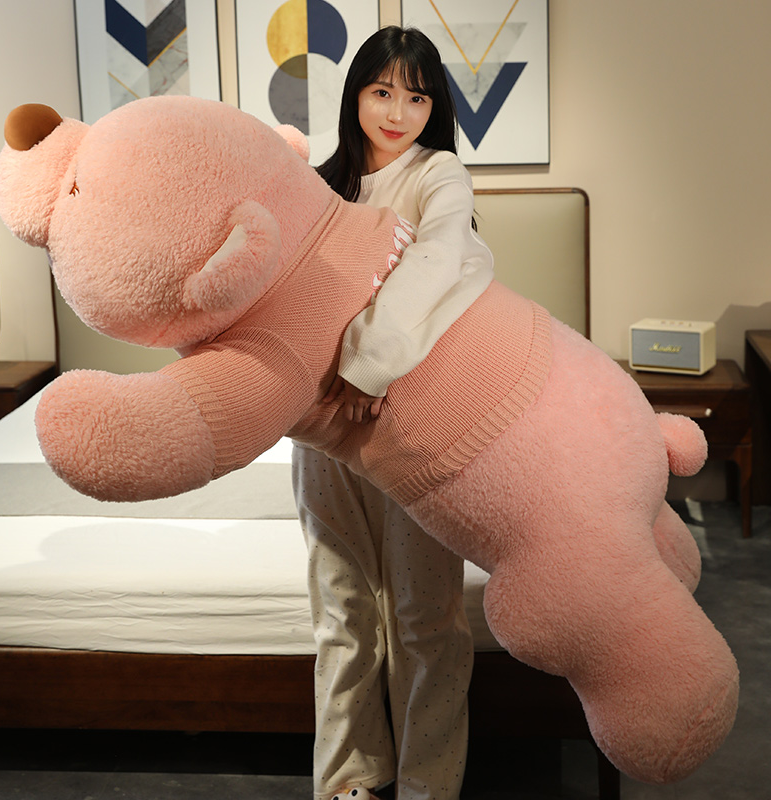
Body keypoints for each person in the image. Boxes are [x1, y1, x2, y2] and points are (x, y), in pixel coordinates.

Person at [291, 25, 495, 800]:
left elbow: (443, 259)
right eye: (382, 92)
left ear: (434, 107)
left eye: (417, 97)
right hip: (322, 426)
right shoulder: (319, 188)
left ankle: (426, 784)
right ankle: (350, 776)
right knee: (341, 610)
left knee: (427, 615)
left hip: (411, 419)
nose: (397, 113)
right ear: (356, 95)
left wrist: (368, 360)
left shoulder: (439, 175)